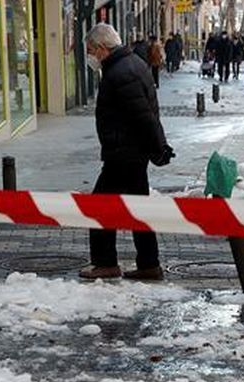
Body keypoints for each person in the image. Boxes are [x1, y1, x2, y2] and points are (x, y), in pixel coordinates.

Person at [79, 23, 174, 281]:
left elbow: (143, 115)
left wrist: (159, 147)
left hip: (124, 154)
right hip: (130, 152)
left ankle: (106, 263)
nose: (89, 56)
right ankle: (148, 264)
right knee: (137, 209)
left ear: (101, 49)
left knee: (100, 206)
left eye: (90, 50)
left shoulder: (121, 73)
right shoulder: (130, 64)